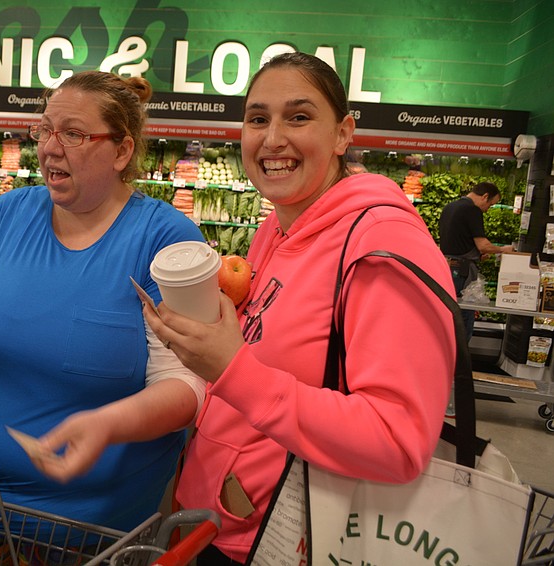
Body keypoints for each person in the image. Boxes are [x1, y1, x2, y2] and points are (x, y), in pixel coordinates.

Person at [143, 52, 457, 565]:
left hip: (287, 541)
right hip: (213, 525)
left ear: (343, 133)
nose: (272, 139)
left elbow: (398, 441)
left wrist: (232, 368)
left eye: (299, 116)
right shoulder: (277, 228)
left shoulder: (383, 245)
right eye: (257, 119)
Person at [0, 71, 206, 537]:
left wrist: (107, 424)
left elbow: (187, 386)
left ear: (122, 151)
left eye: (74, 134)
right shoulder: (10, 212)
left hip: (84, 534)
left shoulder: (165, 239)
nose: (49, 146)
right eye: (44, 129)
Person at [439, 181, 514, 343]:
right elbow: (483, 245)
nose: (488, 210)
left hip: (445, 268)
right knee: (464, 318)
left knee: (446, 315)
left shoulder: (450, 207)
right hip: (461, 273)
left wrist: (475, 256)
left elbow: (455, 242)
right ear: (485, 197)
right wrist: (504, 250)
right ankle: (460, 362)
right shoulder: (472, 210)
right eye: (491, 205)